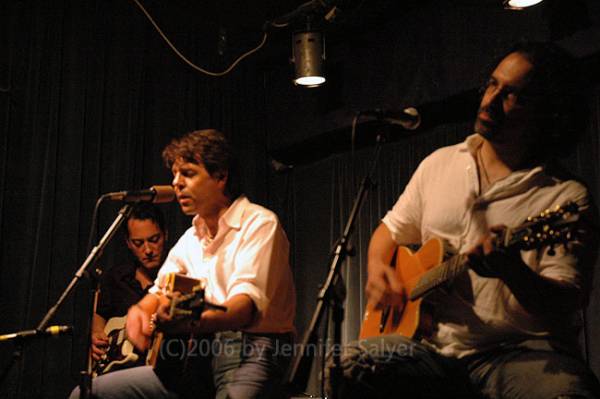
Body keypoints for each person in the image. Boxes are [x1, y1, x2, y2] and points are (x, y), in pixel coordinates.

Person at [328, 42, 600, 399]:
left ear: (547, 112)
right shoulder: (440, 164)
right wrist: (379, 268)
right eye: (491, 85)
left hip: (521, 353)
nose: (490, 101)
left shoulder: (565, 199)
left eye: (512, 95)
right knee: (351, 366)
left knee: (569, 393)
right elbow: (388, 232)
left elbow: (566, 301)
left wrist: (512, 270)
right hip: (435, 352)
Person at [71, 129, 296, 399]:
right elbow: (157, 293)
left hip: (253, 351)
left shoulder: (259, 224)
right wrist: (139, 312)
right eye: (174, 175)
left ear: (221, 176)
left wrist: (185, 323)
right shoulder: (192, 237)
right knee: (88, 393)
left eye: (188, 173)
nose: (176, 183)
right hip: (197, 356)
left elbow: (242, 310)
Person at [91, 203, 168, 374]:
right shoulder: (116, 277)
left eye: (154, 240)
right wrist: (96, 334)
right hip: (113, 369)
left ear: (165, 234)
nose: (148, 250)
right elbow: (100, 314)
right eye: (138, 243)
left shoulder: (175, 278)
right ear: (128, 243)